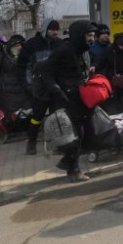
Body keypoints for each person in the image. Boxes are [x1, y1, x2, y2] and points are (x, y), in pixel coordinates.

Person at [41, 20, 97, 183]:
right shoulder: (63, 50)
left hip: (81, 98)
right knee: (75, 136)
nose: (92, 39)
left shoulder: (83, 51)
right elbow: (46, 72)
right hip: (66, 99)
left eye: (93, 35)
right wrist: (56, 89)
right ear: (80, 35)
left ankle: (68, 163)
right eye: (89, 35)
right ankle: (74, 170)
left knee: (87, 134)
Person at [19, 19, 61, 155]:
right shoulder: (32, 45)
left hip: (55, 86)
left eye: (56, 29)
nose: (55, 32)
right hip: (39, 88)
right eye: (52, 29)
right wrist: (29, 85)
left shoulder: (59, 44)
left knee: (56, 116)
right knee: (37, 116)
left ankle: (57, 144)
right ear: (45, 29)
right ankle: (31, 142)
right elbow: (24, 67)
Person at [0, 35, 28, 125]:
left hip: (21, 90)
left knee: (23, 113)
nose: (19, 48)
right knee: (12, 114)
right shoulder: (4, 58)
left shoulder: (25, 58)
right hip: (9, 92)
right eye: (16, 46)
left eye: (20, 46)